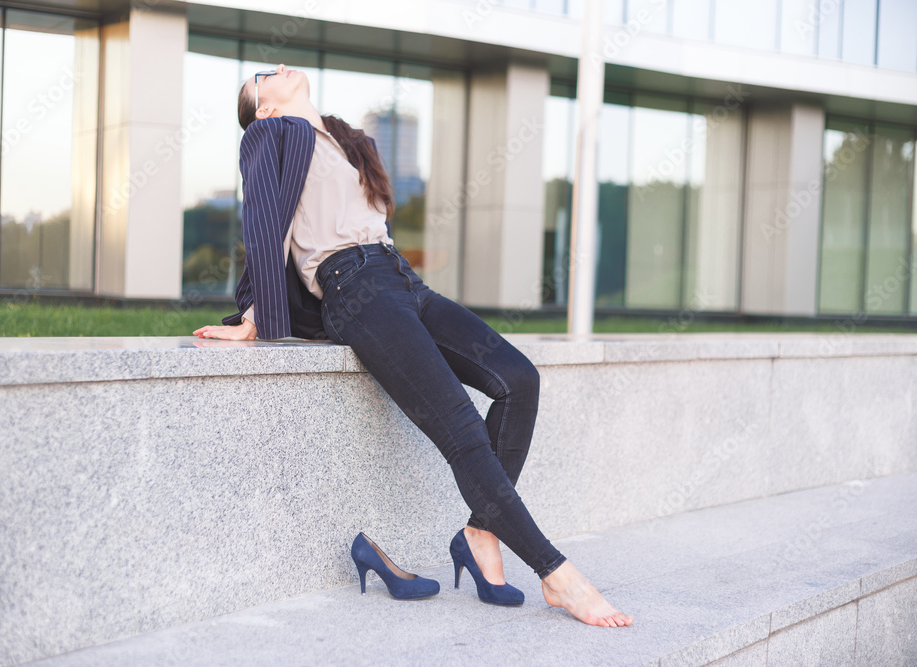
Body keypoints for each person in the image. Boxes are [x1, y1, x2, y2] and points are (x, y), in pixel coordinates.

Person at [192, 63, 633, 628]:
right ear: (264, 108)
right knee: (462, 429)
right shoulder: (270, 136)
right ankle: (558, 574)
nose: (278, 67)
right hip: (353, 289)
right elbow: (264, 223)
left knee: (519, 380)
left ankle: (479, 533)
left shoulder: (343, 140)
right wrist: (254, 315)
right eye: (262, 76)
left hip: (402, 280)